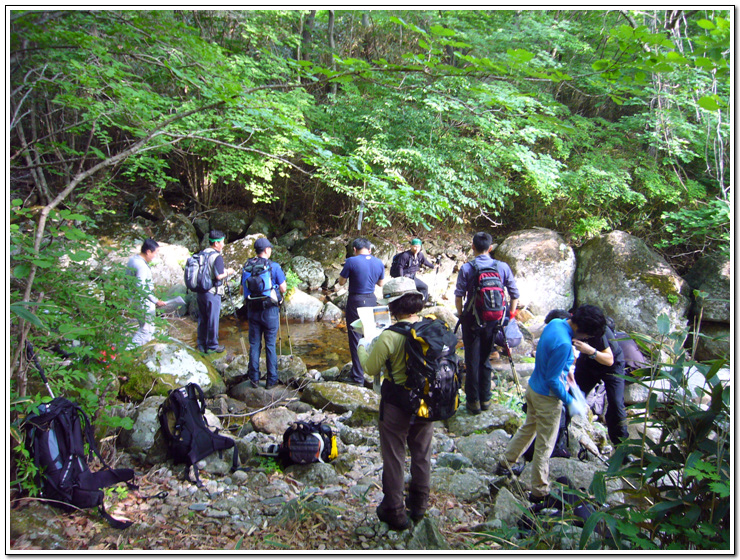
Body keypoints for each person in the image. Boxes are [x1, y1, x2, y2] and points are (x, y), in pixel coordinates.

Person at [495, 305, 606, 502]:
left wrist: (566, 371)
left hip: (533, 388)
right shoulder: (565, 344)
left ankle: (506, 462)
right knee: (545, 445)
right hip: (547, 398)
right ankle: (539, 490)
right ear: (584, 331)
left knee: (528, 428)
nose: (585, 340)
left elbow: (548, 361)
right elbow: (553, 380)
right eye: (587, 337)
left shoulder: (556, 323)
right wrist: (571, 401)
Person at [358, 277, 431, 531]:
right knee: (421, 453)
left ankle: (395, 511)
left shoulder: (389, 336)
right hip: (426, 403)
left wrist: (362, 346)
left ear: (391, 308)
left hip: (397, 404)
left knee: (394, 456)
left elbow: (370, 368)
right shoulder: (431, 328)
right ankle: (420, 505)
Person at [455, 232, 519, 414]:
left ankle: (473, 402)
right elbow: (514, 294)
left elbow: (459, 295)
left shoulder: (467, 268)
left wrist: (462, 315)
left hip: (471, 321)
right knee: (485, 360)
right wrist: (509, 316)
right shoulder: (502, 267)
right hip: (494, 321)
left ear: (473, 247)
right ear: (490, 248)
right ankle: (486, 401)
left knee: (472, 360)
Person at [573, 316, 629, 445]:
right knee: (574, 396)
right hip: (588, 363)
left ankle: (621, 446)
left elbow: (609, 361)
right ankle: (560, 437)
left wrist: (590, 350)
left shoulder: (600, 332)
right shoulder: (575, 327)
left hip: (612, 365)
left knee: (616, 404)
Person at [338, 237, 385, 385]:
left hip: (356, 300)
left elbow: (341, 281)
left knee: (355, 336)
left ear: (354, 249)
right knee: (372, 335)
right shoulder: (378, 262)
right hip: (372, 299)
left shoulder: (351, 261)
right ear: (370, 249)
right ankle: (373, 373)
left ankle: (358, 377)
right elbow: (381, 283)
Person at [242, 237, 287, 390]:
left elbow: (243, 290)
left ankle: (253, 379)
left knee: (254, 345)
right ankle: (271, 380)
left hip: (252, 310)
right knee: (270, 345)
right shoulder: (274, 266)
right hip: (270, 311)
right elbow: (283, 288)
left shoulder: (247, 266)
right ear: (267, 250)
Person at [196, 230, 236, 354]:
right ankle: (213, 345)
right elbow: (219, 276)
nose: (223, 245)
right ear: (216, 243)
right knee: (213, 319)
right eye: (222, 242)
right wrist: (229, 271)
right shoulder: (216, 256)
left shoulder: (202, 254)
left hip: (200, 291)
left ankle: (201, 344)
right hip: (212, 292)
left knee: (203, 318)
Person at [127, 238, 166, 347]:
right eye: (155, 253)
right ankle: (127, 351)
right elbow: (141, 286)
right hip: (143, 301)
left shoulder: (133, 260)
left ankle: (143, 352)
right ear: (148, 251)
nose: (155, 256)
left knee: (145, 328)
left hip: (134, 299)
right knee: (146, 330)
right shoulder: (141, 266)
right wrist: (155, 300)